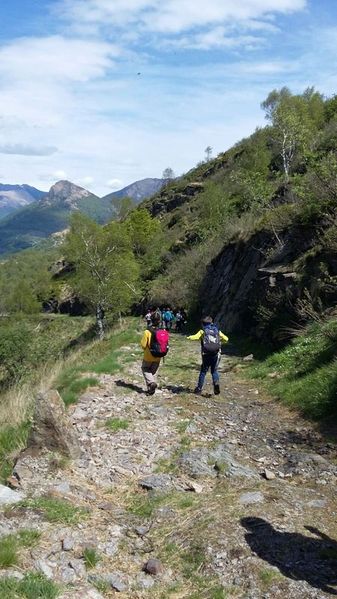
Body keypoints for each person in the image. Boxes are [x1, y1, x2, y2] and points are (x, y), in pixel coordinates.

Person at [187, 316, 228, 395]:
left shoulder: (202, 331)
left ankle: (199, 389)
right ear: (211, 322)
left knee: (203, 371)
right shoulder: (217, 331)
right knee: (214, 371)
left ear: (203, 324)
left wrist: (189, 337)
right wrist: (221, 341)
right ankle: (216, 384)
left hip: (206, 354)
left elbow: (195, 337)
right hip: (215, 354)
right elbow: (226, 339)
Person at [140, 311, 169, 395]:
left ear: (151, 320)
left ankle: (152, 384)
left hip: (148, 356)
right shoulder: (163, 331)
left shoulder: (147, 332)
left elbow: (143, 345)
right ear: (159, 320)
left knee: (145, 369)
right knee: (151, 373)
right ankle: (150, 389)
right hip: (159, 356)